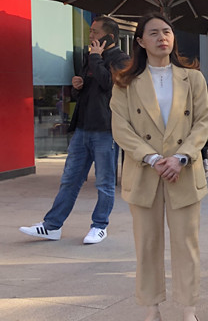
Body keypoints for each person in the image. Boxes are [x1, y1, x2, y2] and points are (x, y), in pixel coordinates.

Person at [110, 12, 208, 321]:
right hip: (145, 172)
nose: (162, 37)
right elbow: (121, 128)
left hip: (183, 170)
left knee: (187, 244)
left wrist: (181, 157)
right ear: (140, 41)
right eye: (153, 33)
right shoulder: (125, 83)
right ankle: (151, 311)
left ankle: (189, 310)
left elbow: (203, 121)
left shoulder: (192, 78)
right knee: (147, 245)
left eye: (166, 31)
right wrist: (153, 158)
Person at [20, 16, 129, 244]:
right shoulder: (91, 58)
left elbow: (109, 85)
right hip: (82, 128)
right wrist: (78, 86)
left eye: (95, 32)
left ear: (109, 36)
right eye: (90, 31)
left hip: (106, 130)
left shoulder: (121, 59)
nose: (90, 36)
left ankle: (99, 226)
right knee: (70, 179)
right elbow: (88, 93)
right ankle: (52, 226)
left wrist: (96, 58)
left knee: (104, 183)